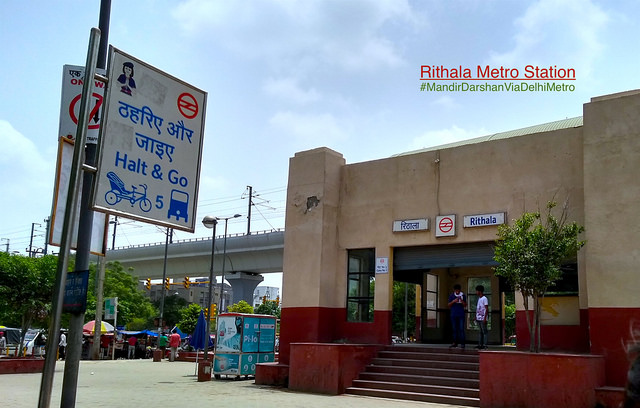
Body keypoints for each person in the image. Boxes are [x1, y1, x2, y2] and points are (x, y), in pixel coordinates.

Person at [447, 284, 467, 349]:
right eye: (456, 290)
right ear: (454, 290)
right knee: (454, 329)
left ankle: (462, 343)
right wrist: (453, 301)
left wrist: (461, 301)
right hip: (453, 314)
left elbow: (465, 305)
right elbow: (449, 305)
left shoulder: (463, 295)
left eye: (458, 290)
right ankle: (454, 342)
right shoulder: (452, 296)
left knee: (461, 329)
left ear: (460, 290)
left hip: (461, 314)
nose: (457, 292)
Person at [475, 285, 489, 350]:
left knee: (484, 331)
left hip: (483, 317)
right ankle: (480, 344)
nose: (476, 292)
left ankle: (485, 344)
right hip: (479, 317)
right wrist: (476, 316)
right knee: (480, 331)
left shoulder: (484, 298)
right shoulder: (479, 299)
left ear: (480, 291)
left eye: (477, 291)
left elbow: (486, 308)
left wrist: (485, 318)